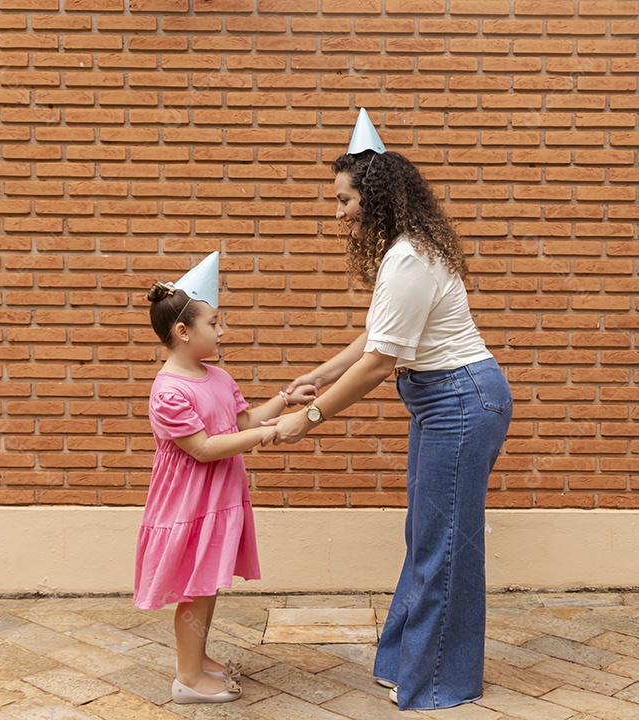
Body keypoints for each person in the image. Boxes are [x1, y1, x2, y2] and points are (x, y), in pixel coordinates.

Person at [268, 109, 513, 711]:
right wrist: (320, 374)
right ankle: (408, 661)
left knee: (445, 542)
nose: (338, 213)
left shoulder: (408, 257)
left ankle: (438, 681)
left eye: (343, 200)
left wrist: (311, 418)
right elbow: (379, 336)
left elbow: (380, 364)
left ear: (373, 198)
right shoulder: (408, 252)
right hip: (445, 401)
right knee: (428, 535)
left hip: (459, 400)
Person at [134, 251, 317, 705]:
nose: (222, 331)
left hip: (218, 499)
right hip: (190, 504)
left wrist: (285, 400)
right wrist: (268, 433)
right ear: (183, 331)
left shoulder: (215, 376)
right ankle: (187, 678)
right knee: (193, 589)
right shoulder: (169, 391)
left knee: (208, 583)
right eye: (214, 323)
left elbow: (241, 421)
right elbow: (202, 448)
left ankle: (197, 658)